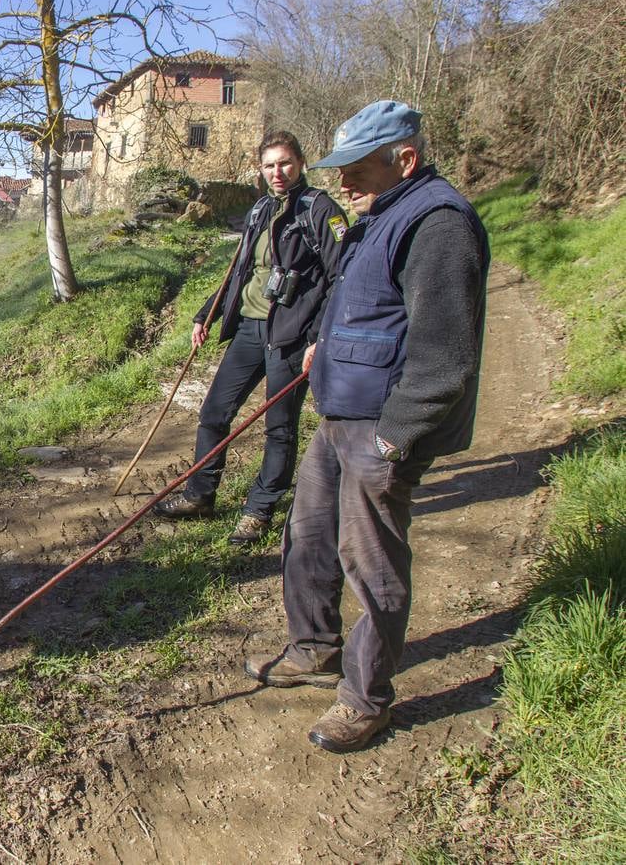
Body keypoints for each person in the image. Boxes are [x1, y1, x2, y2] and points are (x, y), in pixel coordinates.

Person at [243, 101, 490, 753]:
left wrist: (393, 438)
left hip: (379, 427)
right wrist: (326, 346)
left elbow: (446, 359)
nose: (341, 183)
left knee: (370, 565)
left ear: (403, 160)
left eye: (355, 169)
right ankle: (314, 647)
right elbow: (359, 303)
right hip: (338, 414)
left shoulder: (438, 225)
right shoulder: (378, 216)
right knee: (309, 537)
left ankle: (365, 700)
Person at [156, 131, 346, 545]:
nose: (277, 172)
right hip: (248, 327)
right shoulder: (259, 209)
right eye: (269, 165)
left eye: (285, 163)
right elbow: (238, 271)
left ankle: (259, 510)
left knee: (279, 426)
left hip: (292, 336)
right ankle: (200, 495)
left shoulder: (321, 210)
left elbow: (340, 278)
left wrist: (318, 337)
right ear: (259, 169)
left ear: (300, 163)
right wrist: (207, 313)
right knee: (214, 413)